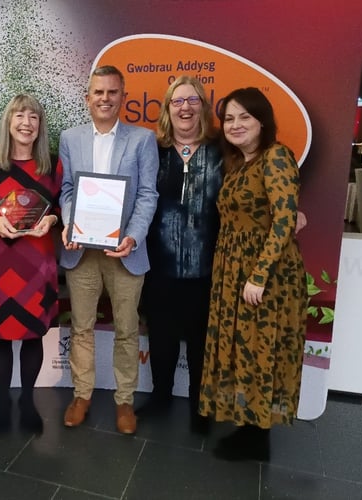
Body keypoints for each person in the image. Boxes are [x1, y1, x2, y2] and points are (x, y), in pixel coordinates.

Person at [198, 87, 307, 461]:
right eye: (229, 118)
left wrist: (258, 276)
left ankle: (258, 437)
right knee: (242, 348)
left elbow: (283, 222)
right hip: (233, 269)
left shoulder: (276, 157)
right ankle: (247, 426)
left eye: (245, 116)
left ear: (263, 121)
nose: (235, 124)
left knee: (261, 349)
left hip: (265, 276)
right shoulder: (240, 164)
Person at [59, 65, 159, 435]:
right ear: (87, 98)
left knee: (127, 330)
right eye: (98, 92)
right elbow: (67, 190)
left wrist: (133, 235)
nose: (104, 98)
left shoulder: (142, 140)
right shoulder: (70, 138)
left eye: (112, 92)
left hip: (125, 251)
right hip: (82, 250)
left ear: (123, 97)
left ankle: (124, 400)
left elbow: (148, 193)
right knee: (82, 328)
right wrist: (71, 224)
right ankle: (82, 394)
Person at [0, 94, 60, 432]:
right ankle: (4, 401)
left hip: (36, 263)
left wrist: (52, 221)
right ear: (8, 122)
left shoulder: (52, 164)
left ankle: (27, 400)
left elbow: (63, 208)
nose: (27, 123)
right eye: (19, 115)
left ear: (40, 125)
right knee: (1, 336)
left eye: (33, 117)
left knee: (33, 334)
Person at [141, 76, 221, 434]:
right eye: (177, 101)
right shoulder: (152, 152)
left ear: (203, 108)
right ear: (167, 110)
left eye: (192, 101)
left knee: (203, 342)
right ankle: (160, 397)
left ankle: (199, 406)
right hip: (159, 266)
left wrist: (287, 211)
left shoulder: (222, 153)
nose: (185, 107)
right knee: (161, 339)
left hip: (209, 268)